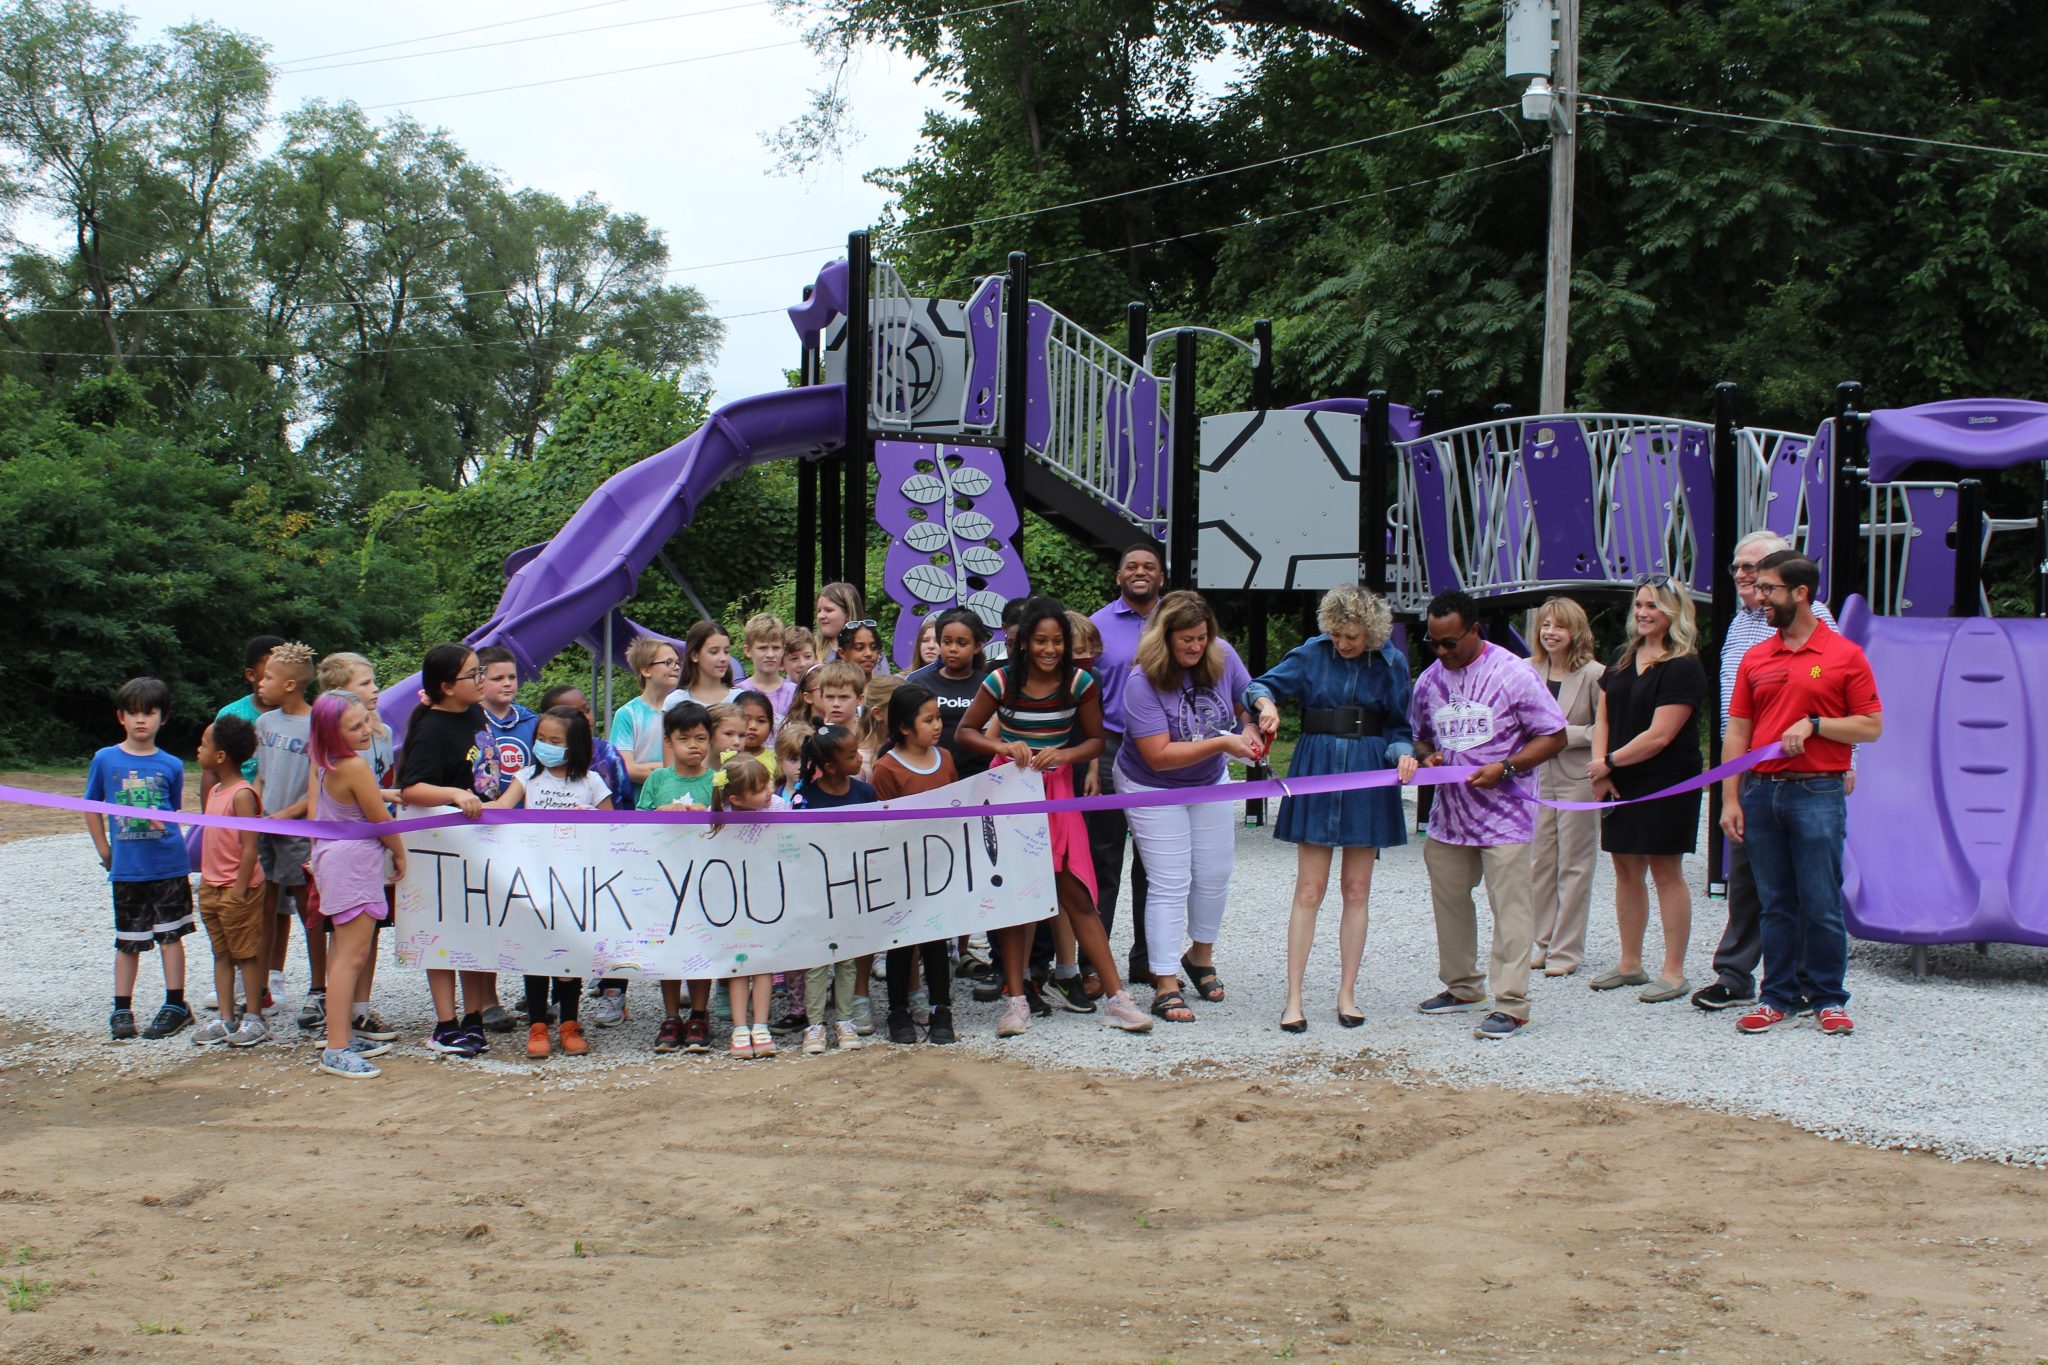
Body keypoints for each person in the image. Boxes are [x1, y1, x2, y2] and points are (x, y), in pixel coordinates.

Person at [955, 596, 1154, 1037]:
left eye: (1057, 641)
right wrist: (1004, 747)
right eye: (1040, 641)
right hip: (1010, 790)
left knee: (1077, 894)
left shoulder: (1080, 682)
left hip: (1056, 790)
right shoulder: (1001, 680)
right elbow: (965, 732)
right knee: (1017, 900)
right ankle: (1016, 1001)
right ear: (1023, 642)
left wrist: (1063, 754)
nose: (1049, 650)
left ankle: (1118, 998)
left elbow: (1096, 741)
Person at [1720, 552, 1883, 1037]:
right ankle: (1778, 997)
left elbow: (1872, 726)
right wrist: (1730, 798)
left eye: (1768, 588)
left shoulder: (1844, 655)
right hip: (1761, 792)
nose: (1758, 596)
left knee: (1820, 899)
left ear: (1800, 593)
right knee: (1774, 901)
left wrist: (1817, 725)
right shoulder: (1756, 656)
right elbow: (1737, 733)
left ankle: (1829, 998)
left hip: (1817, 791)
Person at [1244, 584, 1413, 1031]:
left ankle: (1347, 994)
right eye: (1336, 634)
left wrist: (1403, 754)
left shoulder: (1392, 663)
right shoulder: (1312, 653)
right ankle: (1293, 998)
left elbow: (1400, 728)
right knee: (1308, 891)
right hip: (1316, 766)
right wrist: (1265, 706)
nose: (1342, 644)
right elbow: (1258, 685)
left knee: (1356, 890)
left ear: (1371, 630)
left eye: (1351, 636)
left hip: (1367, 772)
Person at [1402, 590, 1568, 1042]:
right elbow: (1418, 737)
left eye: (1450, 642)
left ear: (1475, 631)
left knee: (1511, 909)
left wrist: (1508, 768)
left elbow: (1553, 735)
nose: (1441, 652)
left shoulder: (1514, 673)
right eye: (1433, 642)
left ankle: (1512, 1004)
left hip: (1506, 817)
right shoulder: (1429, 682)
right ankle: (1462, 987)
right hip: (1449, 818)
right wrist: (1429, 756)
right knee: (1450, 903)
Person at [1693, 533, 1842, 1012]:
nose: (1742, 575)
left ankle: (1804, 981)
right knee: (1747, 879)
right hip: (1750, 767)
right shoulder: (1740, 624)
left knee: (1806, 884)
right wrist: (1728, 783)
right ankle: (1736, 975)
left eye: (1752, 567)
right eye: (1737, 566)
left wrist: (1849, 761)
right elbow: (1734, 714)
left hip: (1806, 772)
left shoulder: (1817, 621)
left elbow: (1838, 696)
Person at [1118, 591, 1260, 1024]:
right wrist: (1223, 742)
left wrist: (1258, 717)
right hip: (1151, 783)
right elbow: (1159, 755)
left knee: (1215, 872)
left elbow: (1246, 696)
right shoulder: (1141, 682)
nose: (1196, 647)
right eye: (1187, 640)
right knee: (1169, 880)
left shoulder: (1222, 653)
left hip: (1208, 778)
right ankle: (1163, 981)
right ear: (1165, 639)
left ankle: (1199, 956)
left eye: (1202, 638)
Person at [1587, 575, 1710, 1003]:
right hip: (1618, 776)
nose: (1642, 612)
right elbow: (1603, 715)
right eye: (1639, 604)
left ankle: (1674, 971)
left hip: (1665, 780)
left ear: (1673, 613)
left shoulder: (1684, 666)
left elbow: (1660, 735)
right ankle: (1629, 963)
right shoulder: (1623, 656)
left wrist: (1608, 762)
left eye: (1653, 606)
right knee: (1624, 867)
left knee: (1665, 869)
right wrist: (1600, 770)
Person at [395, 642, 503, 1058]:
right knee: (442, 930)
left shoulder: (475, 713)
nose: (481, 681)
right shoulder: (431, 728)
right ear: (445, 686)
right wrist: (456, 795)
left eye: (481, 672)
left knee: (478, 928)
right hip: (441, 846)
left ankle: (474, 1018)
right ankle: (445, 1023)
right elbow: (412, 786)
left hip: (480, 840)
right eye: (473, 675)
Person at [492, 705, 610, 1059]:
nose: (545, 745)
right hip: (535, 882)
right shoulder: (527, 777)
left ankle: (570, 1023)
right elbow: (502, 805)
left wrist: (588, 819)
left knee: (570, 954)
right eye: (540, 738)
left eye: (554, 740)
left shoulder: (591, 782)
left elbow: (613, 826)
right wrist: (471, 809)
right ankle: (538, 1025)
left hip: (575, 885)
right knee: (535, 954)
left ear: (574, 745)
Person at [85, 677, 196, 1041]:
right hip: (127, 869)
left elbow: (172, 810)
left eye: (149, 713)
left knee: (170, 936)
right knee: (128, 940)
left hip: (168, 864)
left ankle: (176, 1005)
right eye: (133, 713)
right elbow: (92, 808)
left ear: (163, 717)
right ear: (120, 717)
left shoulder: (172, 764)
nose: (140, 720)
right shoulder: (105, 759)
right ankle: (121, 1009)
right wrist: (104, 850)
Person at [305, 692, 406, 1079]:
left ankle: (341, 1034)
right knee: (350, 957)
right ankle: (336, 1047)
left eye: (366, 720)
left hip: (337, 859)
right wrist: (400, 853)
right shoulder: (355, 766)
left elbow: (355, 801)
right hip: (353, 864)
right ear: (333, 732)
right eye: (355, 726)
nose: (366, 730)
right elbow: (380, 820)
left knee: (345, 955)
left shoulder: (327, 761)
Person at [1087, 544, 1164, 986]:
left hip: (1164, 755)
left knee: (1155, 862)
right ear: (1118, 576)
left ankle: (1149, 959)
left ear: (1161, 577)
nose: (1140, 573)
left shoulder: (1175, 624)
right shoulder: (1097, 624)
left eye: (1149, 567)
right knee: (1104, 860)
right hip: (1110, 747)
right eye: (1132, 567)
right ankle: (1097, 964)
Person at [870, 683, 960, 1046]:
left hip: (938, 868)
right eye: (929, 719)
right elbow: (883, 824)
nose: (937, 725)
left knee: (937, 939)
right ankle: (898, 1010)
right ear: (905, 727)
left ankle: (942, 1007)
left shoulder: (947, 759)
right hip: (901, 869)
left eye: (938, 717)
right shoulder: (886, 768)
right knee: (901, 942)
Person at [1525, 597, 1604, 978]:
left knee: (1574, 865)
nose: (1551, 632)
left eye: (1559, 626)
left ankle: (1566, 949)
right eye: (1546, 625)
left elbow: (1603, 730)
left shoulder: (1594, 674)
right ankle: (1540, 942)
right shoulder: (1526, 670)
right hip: (1536, 776)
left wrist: (1558, 736)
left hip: (1577, 780)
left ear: (1576, 631)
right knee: (1540, 863)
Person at [636, 700, 719, 1054]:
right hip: (665, 878)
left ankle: (699, 1014)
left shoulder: (717, 780)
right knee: (667, 945)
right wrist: (660, 811)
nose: (694, 746)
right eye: (684, 739)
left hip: (705, 879)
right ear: (668, 741)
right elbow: (636, 821)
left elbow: (729, 821)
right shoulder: (657, 779)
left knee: (701, 943)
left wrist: (711, 812)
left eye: (701, 738)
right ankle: (671, 1016)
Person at [789, 724, 875, 1053]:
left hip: (852, 891)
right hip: (815, 894)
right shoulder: (805, 799)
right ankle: (814, 1025)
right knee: (816, 959)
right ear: (829, 766)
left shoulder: (864, 793)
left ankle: (845, 1019)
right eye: (852, 755)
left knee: (848, 957)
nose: (859, 759)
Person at [252, 642, 322, 1031]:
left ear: (291, 684)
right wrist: (257, 809)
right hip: (266, 830)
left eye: (268, 678)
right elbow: (261, 776)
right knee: (263, 908)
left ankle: (319, 987)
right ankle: (258, 986)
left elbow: (317, 787)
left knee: (307, 908)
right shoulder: (264, 724)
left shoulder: (316, 726)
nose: (262, 684)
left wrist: (287, 815)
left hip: (297, 832)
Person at [189, 715, 270, 1048]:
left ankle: (254, 1017)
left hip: (239, 889)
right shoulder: (216, 791)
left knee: (246, 954)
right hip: (213, 887)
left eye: (205, 744)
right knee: (221, 953)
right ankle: (225, 1018)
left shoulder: (242, 795)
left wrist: (238, 889)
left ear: (221, 756)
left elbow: (251, 849)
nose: (198, 749)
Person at [709, 755, 786, 1059]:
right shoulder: (719, 816)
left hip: (768, 897)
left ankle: (761, 1025)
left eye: (768, 781)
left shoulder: (779, 807)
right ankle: (740, 1028)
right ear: (736, 799)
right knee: (739, 963)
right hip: (733, 901)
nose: (769, 790)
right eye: (759, 788)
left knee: (764, 962)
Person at [909, 606, 991, 778]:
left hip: (982, 778)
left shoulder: (989, 683)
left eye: (962, 643)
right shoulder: (920, 684)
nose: (953, 649)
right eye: (947, 642)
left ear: (977, 646)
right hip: (931, 777)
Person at [203, 633, 283, 803]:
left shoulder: (300, 719)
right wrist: (208, 820)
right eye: (269, 674)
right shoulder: (231, 715)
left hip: (283, 814)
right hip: (235, 811)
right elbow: (211, 770)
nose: (278, 678)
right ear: (251, 675)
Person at [608, 635, 684, 795]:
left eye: (677, 663)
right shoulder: (628, 714)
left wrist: (650, 767)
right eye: (668, 662)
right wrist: (673, 772)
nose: (676, 667)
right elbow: (626, 768)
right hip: (640, 806)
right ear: (646, 670)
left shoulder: (684, 710)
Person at [541, 684, 633, 810]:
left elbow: (625, 802)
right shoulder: (545, 758)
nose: (587, 718)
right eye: (576, 715)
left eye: (587, 709)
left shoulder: (608, 754)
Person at [475, 644, 539, 781]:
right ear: (479, 680)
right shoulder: (467, 720)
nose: (507, 683)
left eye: (512, 677)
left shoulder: (532, 722)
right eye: (498, 678)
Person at [666, 620, 742, 709]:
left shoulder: (740, 699)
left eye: (726, 651)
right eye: (714, 652)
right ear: (694, 655)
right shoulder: (675, 702)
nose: (723, 658)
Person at [738, 612, 795, 720]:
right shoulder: (739, 692)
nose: (770, 655)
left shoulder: (794, 693)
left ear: (783, 650)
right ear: (748, 650)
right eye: (762, 648)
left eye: (776, 648)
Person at [731, 690, 778, 780]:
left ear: (771, 725)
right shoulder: (724, 758)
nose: (753, 726)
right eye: (746, 719)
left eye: (761, 721)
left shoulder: (776, 762)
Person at [815, 582, 861, 654]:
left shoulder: (870, 654)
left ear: (848, 613)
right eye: (819, 611)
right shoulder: (809, 651)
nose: (821, 616)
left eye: (828, 610)